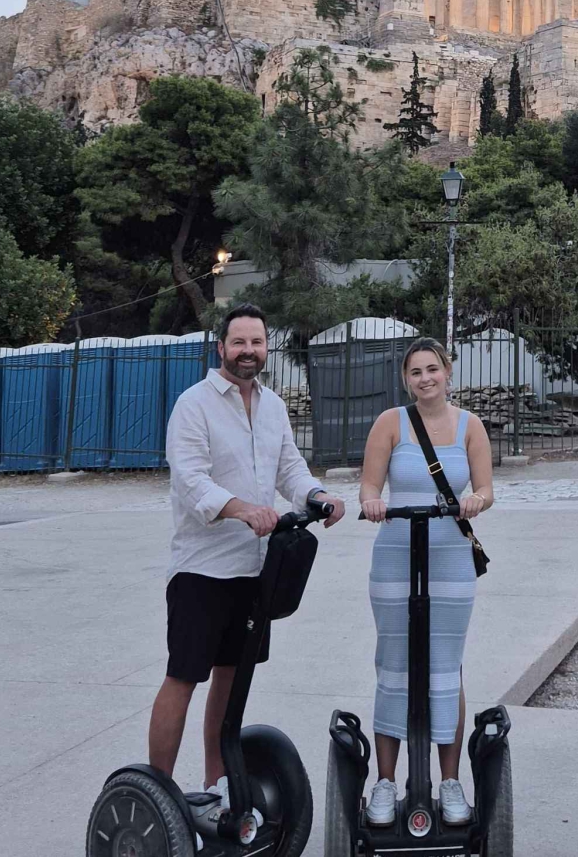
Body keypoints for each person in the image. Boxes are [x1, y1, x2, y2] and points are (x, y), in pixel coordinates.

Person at [152, 302, 347, 801]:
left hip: (254, 569)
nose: (248, 351)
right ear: (221, 347)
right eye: (238, 342)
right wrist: (242, 509)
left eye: (256, 343)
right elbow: (191, 482)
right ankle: (159, 794)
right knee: (184, 676)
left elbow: (290, 471)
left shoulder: (274, 406)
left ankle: (217, 785)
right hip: (202, 568)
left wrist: (317, 497)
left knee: (232, 677)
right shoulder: (193, 405)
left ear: (266, 348)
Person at [357, 338, 496, 827]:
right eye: (415, 372)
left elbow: (486, 488)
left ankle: (451, 780)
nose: (425, 379)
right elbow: (369, 485)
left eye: (432, 369)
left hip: (450, 556)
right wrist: (373, 502)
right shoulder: (389, 424)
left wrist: (477, 500)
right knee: (393, 663)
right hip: (396, 552)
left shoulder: (470, 426)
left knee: (444, 666)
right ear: (406, 379)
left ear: (448, 372)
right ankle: (386, 781)